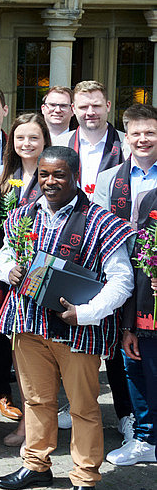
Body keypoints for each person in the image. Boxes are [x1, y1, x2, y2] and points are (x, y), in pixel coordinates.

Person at [0, 147, 132, 490]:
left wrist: (85, 313)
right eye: (43, 175)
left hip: (78, 331)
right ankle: (36, 465)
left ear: (75, 175)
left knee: (85, 407)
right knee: (36, 400)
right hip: (28, 323)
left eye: (59, 175)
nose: (50, 182)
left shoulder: (102, 221)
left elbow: (122, 281)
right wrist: (8, 271)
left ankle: (85, 478)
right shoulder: (22, 215)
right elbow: (5, 253)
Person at [93, 104, 157, 469]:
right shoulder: (109, 179)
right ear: (126, 136)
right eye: (136, 133)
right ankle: (142, 434)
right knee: (127, 357)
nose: (143, 139)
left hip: (156, 280)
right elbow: (100, 230)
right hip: (122, 278)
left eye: (150, 132)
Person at [0, 113, 49, 443]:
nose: (27, 144)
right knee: (19, 357)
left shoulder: (54, 176)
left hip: (44, 280)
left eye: (34, 139)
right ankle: (27, 426)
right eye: (20, 138)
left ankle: (42, 426)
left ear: (45, 142)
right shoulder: (3, 180)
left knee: (45, 358)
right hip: (11, 280)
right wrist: (6, 263)